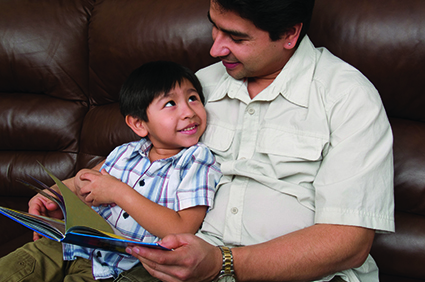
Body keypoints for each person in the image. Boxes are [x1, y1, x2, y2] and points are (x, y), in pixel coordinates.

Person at [120, 0, 395, 282]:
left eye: (237, 38)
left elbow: (349, 243)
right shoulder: (198, 88)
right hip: (190, 266)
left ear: (289, 34)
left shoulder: (348, 97)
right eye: (214, 27)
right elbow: (152, 161)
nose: (215, 49)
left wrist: (222, 262)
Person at [0, 61, 222, 281]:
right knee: (14, 269)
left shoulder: (197, 159)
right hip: (70, 244)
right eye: (170, 104)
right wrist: (51, 194)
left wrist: (118, 192)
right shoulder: (125, 152)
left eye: (193, 98)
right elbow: (85, 180)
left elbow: (183, 227)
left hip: (115, 267)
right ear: (139, 124)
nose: (188, 112)